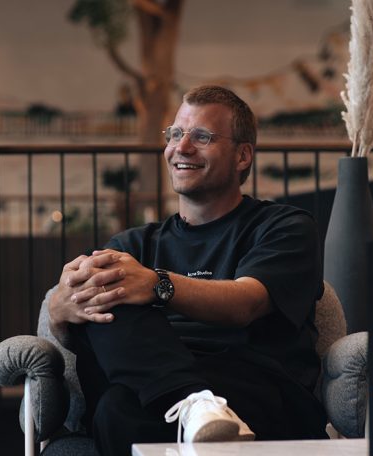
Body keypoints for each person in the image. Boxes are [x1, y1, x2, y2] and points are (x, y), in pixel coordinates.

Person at [48, 85, 328, 455]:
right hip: (146, 391)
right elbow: (72, 311)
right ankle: (193, 401)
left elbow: (245, 302)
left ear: (243, 155)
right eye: (176, 134)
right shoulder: (133, 246)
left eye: (202, 137)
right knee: (116, 400)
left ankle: (198, 403)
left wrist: (156, 284)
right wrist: (59, 309)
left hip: (254, 389)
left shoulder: (284, 227)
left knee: (118, 408)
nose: (181, 147)